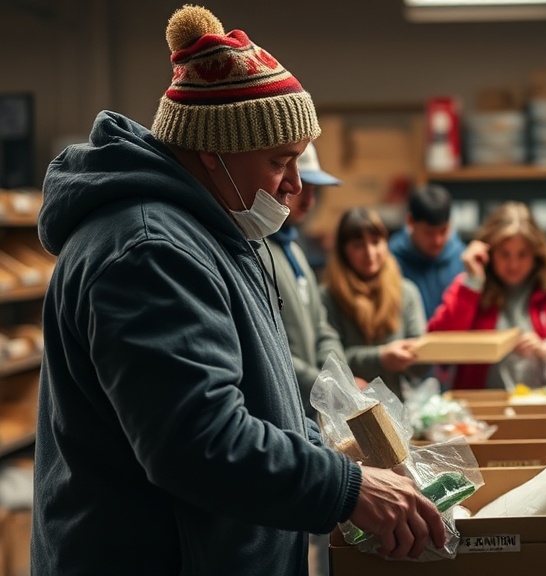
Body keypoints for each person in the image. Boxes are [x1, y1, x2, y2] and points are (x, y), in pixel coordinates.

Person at [32, 6, 445, 575]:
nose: (296, 185)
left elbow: (258, 401)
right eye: (281, 161)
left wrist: (338, 459)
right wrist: (347, 489)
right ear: (213, 152)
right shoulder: (150, 251)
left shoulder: (217, 234)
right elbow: (197, 441)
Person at [259, 142, 345, 576]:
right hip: (288, 412)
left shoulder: (295, 250)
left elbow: (321, 325)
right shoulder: (261, 251)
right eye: (300, 186)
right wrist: (326, 383)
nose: (305, 195)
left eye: (313, 188)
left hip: (314, 408)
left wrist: (340, 378)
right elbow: (274, 352)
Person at [427, 201, 546, 390]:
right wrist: (472, 284)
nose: (513, 265)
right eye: (504, 254)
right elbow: (437, 347)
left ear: (537, 253)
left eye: (522, 255)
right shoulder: (469, 285)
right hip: (481, 406)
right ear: (488, 251)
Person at [321, 207, 429, 400]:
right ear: (343, 251)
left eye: (376, 242)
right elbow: (329, 359)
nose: (369, 253)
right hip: (349, 406)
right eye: (358, 245)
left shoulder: (406, 291)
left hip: (399, 405)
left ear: (386, 243)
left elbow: (420, 362)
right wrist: (380, 358)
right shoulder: (328, 297)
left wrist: (422, 354)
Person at [389, 184, 466, 318]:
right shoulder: (390, 260)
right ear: (410, 222)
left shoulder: (462, 258)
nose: (437, 240)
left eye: (443, 231)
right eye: (429, 233)